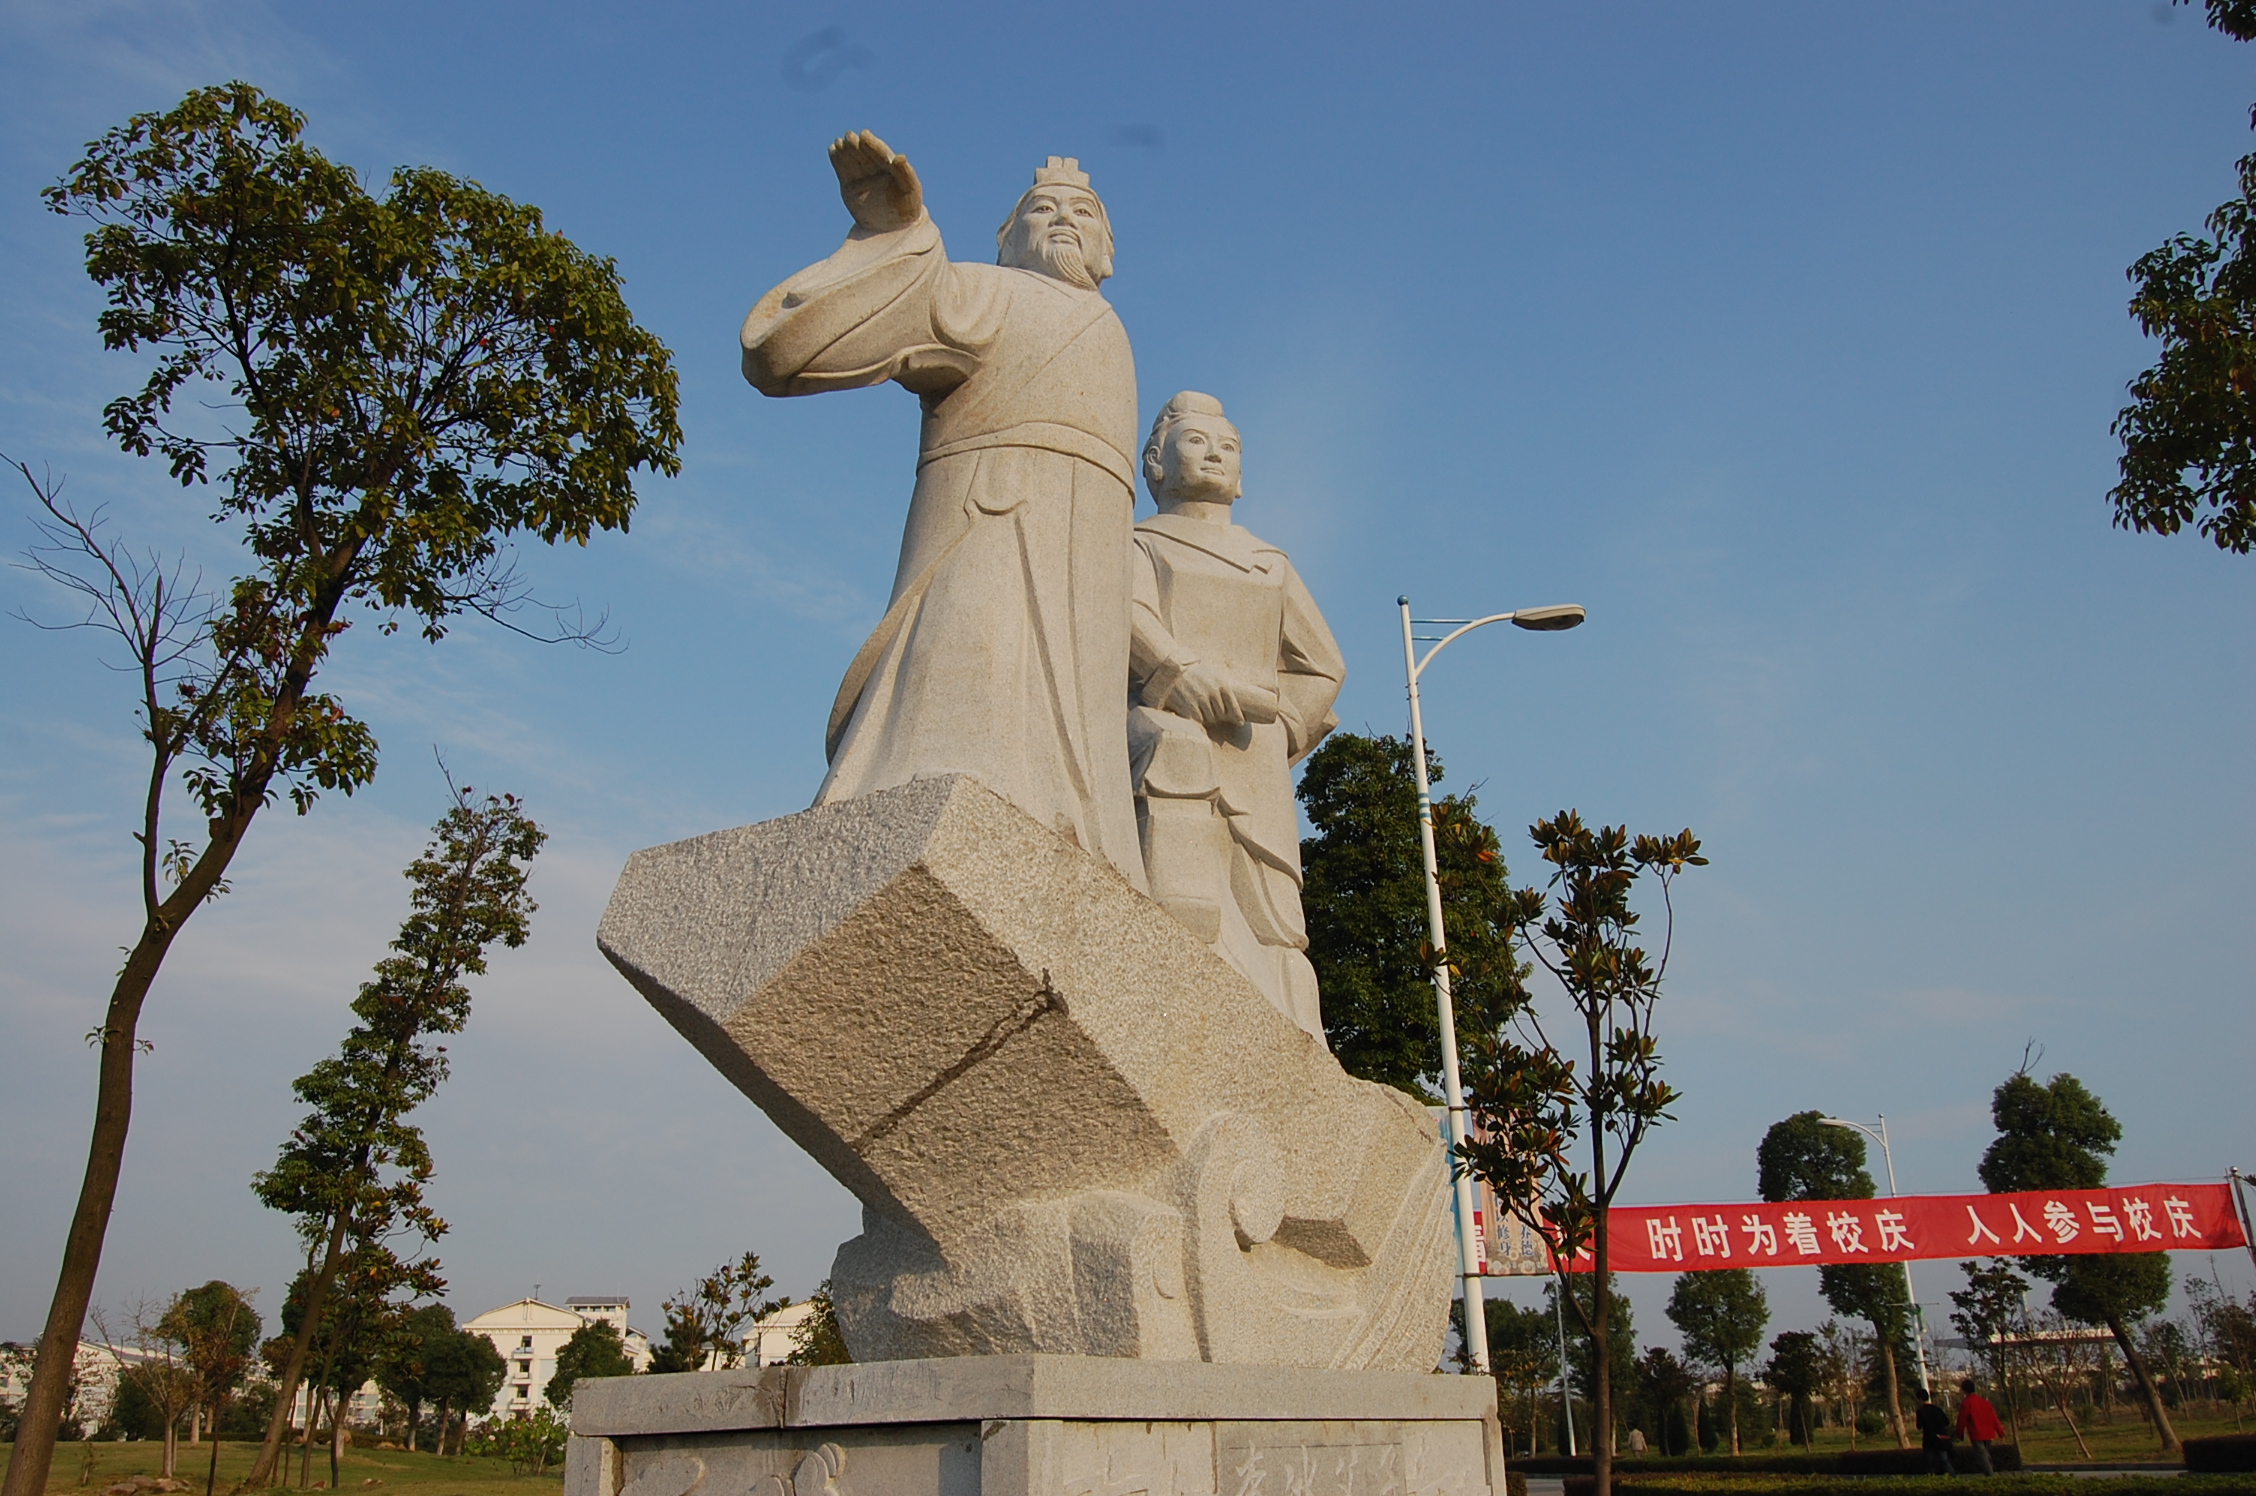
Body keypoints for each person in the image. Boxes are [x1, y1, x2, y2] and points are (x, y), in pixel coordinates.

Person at [741, 133, 1144, 887]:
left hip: (1089, 566)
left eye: (1084, 212)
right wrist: (893, 234)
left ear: (1107, 251)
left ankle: (1085, 841)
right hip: (992, 524)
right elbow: (803, 350)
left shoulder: (1111, 330)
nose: (1063, 219)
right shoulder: (991, 292)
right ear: (1006, 241)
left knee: (1083, 736)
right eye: (1041, 210)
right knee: (971, 684)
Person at [1127, 392, 1345, 1039]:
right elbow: (1126, 618)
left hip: (1254, 753)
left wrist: (1283, 731)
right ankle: (1177, 978)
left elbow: (1323, 667)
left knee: (1275, 914)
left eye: (1228, 446)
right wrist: (1177, 674)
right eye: (1196, 442)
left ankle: (1290, 1036)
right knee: (1175, 771)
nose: (1215, 453)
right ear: (1155, 463)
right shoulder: (1137, 546)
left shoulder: (1269, 563)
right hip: (1158, 728)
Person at [1955, 1377, 2002, 1474]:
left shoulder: (1967, 1403)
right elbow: (1994, 1418)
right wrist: (2000, 1432)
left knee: (1982, 1455)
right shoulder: (1985, 1402)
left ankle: (1990, 1475)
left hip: (1976, 1433)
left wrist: (1959, 1434)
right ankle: (1989, 1471)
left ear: (1964, 1390)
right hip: (1989, 1432)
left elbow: (1961, 1420)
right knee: (1985, 1454)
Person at [1914, 1384, 1956, 1475]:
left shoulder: (1920, 1411)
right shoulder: (1938, 1409)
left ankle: (1931, 1481)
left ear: (1920, 1399)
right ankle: (1954, 1477)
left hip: (1929, 1439)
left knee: (1930, 1463)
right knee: (1945, 1461)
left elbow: (1919, 1426)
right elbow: (1946, 1422)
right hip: (1941, 1439)